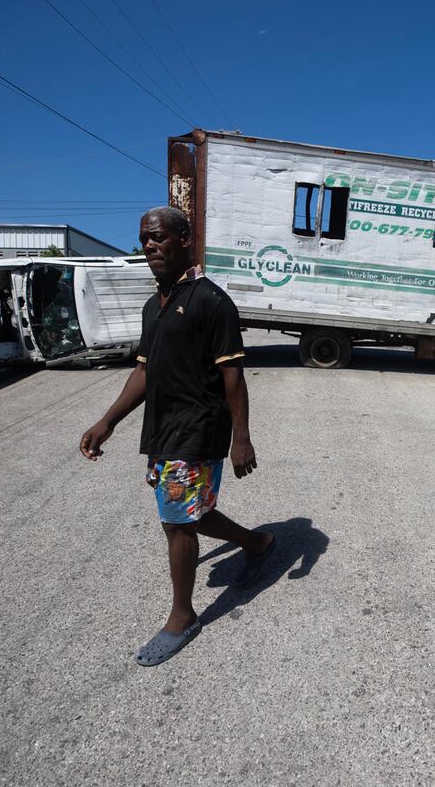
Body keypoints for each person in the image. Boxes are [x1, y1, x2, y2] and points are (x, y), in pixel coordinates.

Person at [80, 206, 276, 667]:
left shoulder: (211, 301)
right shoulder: (155, 305)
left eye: (158, 237)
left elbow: (233, 376)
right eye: (144, 239)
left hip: (199, 427)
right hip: (163, 429)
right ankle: (257, 543)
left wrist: (242, 438)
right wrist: (108, 421)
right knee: (190, 510)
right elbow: (144, 373)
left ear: (184, 239)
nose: (149, 245)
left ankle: (182, 616)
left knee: (178, 522)